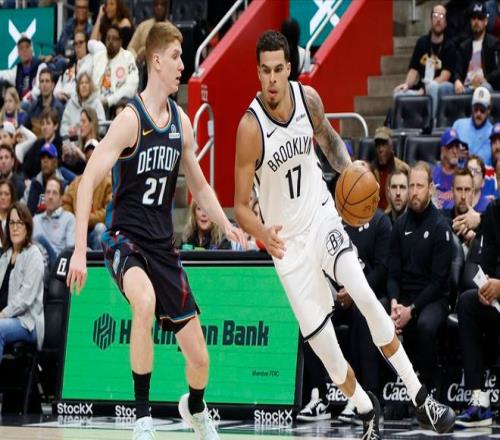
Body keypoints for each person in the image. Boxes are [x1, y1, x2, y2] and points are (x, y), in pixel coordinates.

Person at [234, 30, 455, 439]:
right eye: (265, 71)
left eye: (279, 69)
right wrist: (263, 232)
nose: (272, 79)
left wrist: (351, 169)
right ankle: (367, 410)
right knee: (330, 357)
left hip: (322, 219)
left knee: (365, 295)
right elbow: (240, 206)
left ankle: (421, 397)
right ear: (258, 72)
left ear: (289, 68)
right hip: (287, 248)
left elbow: (331, 141)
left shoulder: (308, 100)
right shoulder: (250, 128)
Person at [67, 22, 247, 440]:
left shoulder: (181, 122)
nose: (183, 65)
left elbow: (200, 185)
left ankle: (195, 408)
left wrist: (227, 224)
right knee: (144, 302)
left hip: (163, 247)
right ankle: (143, 418)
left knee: (200, 360)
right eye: (177, 57)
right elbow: (88, 181)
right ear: (156, 61)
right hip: (125, 240)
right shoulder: (130, 120)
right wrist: (78, 250)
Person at [388, 162, 453, 393]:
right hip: (404, 298)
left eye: (420, 186)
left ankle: (431, 387)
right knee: (375, 315)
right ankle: (376, 390)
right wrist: (395, 304)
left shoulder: (440, 227)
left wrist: (411, 310)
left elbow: (438, 283)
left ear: (431, 189)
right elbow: (393, 272)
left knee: (425, 325)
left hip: (434, 299)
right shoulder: (399, 226)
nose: (414, 192)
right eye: (412, 186)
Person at [455, 198, 500, 428]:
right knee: (467, 302)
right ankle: (479, 400)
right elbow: (485, 264)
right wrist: (486, 287)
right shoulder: (494, 211)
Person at [0, 202, 44, 364]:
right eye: (12, 223)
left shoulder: (34, 255)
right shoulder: (5, 257)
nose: (15, 227)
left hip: (27, 322)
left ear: (27, 227)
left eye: (20, 223)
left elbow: (25, 299)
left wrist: (2, 314)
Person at [393, 3, 455, 117]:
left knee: (433, 87)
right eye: (435, 16)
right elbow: (413, 69)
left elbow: (445, 75)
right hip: (422, 88)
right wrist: (407, 85)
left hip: (441, 87)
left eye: (442, 16)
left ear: (446, 23)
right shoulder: (422, 43)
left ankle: (433, 121)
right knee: (398, 94)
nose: (438, 20)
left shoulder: (450, 45)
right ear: (431, 20)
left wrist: (426, 89)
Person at [62, 139, 111, 250]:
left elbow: (109, 211)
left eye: (94, 156)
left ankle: (99, 260)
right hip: (78, 230)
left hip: (96, 230)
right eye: (88, 157)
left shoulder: (108, 182)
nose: (91, 160)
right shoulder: (76, 182)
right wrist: (73, 220)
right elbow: (66, 204)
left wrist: (85, 219)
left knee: (100, 228)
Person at [89, 25, 139, 110]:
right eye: (108, 38)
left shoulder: (128, 57)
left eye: (114, 38)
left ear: (120, 42)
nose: (110, 41)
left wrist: (109, 100)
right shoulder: (98, 57)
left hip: (117, 103)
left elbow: (131, 87)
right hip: (95, 102)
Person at [454, 1, 500, 94]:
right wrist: (457, 80)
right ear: (470, 22)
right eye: (474, 18)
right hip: (466, 87)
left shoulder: (493, 44)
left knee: (483, 88)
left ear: (486, 22)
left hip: (484, 85)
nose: (476, 22)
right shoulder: (464, 46)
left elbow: (498, 69)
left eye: (480, 18)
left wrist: (486, 79)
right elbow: (457, 70)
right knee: (445, 88)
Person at [33, 177, 75, 268]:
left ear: (61, 199)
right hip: (36, 264)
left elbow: (70, 252)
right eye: (48, 192)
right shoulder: (35, 220)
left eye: (54, 193)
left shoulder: (69, 218)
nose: (50, 197)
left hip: (57, 266)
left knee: (40, 239)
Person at [370, 126, 409, 211]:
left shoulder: (402, 168)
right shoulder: (370, 170)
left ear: (391, 146)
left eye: (384, 144)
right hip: (374, 215)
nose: (380, 149)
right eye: (378, 145)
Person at [453, 86, 494, 166]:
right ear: (472, 108)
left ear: (488, 110)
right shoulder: (458, 124)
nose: (478, 114)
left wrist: (468, 157)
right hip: (457, 171)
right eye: (476, 109)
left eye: (482, 110)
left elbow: (489, 163)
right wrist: (455, 155)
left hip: (481, 172)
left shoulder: (493, 133)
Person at [60, 72, 106, 139]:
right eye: (81, 83)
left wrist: (87, 130)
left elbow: (102, 127)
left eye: (86, 83)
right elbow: (63, 127)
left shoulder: (97, 103)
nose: (84, 86)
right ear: (78, 87)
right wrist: (69, 130)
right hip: (73, 141)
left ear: (90, 86)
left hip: (91, 141)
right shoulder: (70, 103)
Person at [127, 0, 170, 65]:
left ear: (167, 8)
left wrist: (148, 51)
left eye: (162, 5)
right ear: (153, 7)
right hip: (141, 66)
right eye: (156, 5)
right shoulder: (143, 26)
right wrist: (137, 59)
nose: (159, 7)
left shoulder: (171, 30)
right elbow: (130, 48)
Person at [432, 128, 460, 209]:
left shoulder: (464, 174)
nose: (455, 151)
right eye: (451, 147)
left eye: (457, 147)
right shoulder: (432, 173)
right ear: (443, 150)